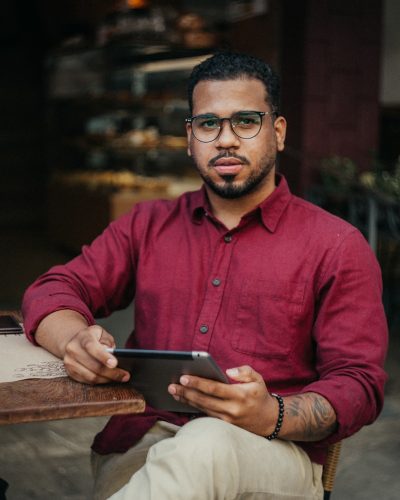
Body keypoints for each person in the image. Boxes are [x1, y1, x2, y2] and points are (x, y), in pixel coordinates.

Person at [22, 52, 388, 500]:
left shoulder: (336, 245)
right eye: (208, 124)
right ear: (190, 138)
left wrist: (271, 414)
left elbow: (359, 383)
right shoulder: (148, 224)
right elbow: (55, 289)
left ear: (278, 131)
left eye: (246, 121)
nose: (226, 140)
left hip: (274, 449)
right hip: (147, 439)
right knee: (182, 458)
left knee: (207, 443)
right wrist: (73, 340)